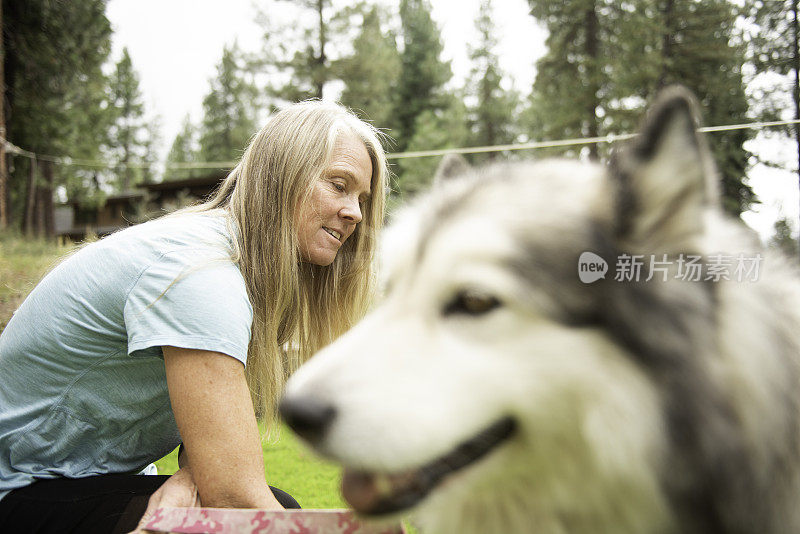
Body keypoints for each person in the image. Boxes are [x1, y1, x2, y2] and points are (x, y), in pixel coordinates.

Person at [0, 101, 388, 533]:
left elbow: (211, 444)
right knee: (249, 517)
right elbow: (236, 497)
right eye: (338, 185)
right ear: (283, 176)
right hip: (16, 488)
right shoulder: (202, 273)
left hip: (75, 484)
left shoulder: (242, 276)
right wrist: (214, 484)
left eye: (362, 198)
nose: (355, 212)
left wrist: (193, 474)